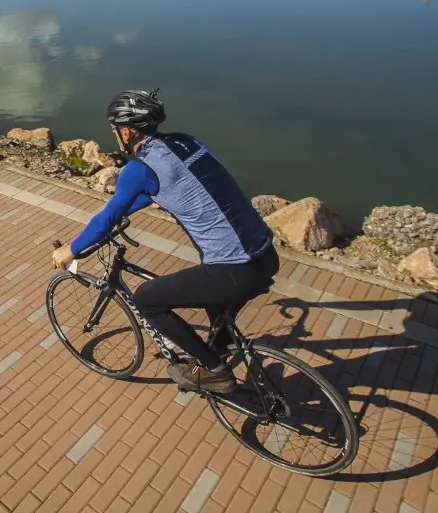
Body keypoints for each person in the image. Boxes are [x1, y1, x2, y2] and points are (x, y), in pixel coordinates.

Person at [50, 89, 279, 395]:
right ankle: (218, 350)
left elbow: (107, 218)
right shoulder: (187, 141)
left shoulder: (138, 170)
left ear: (127, 131)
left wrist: (72, 249)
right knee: (218, 311)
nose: (115, 135)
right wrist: (123, 211)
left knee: (147, 300)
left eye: (115, 130)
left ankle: (215, 371)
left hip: (233, 269)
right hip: (265, 253)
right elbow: (170, 188)